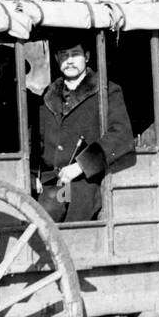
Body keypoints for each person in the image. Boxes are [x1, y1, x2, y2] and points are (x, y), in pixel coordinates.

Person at [31, 31, 133, 222]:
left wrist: (81, 166)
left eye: (75, 54)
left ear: (86, 57)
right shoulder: (48, 96)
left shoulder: (106, 91)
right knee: (44, 227)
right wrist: (32, 174)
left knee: (75, 234)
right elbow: (36, 139)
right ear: (56, 59)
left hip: (86, 184)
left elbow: (121, 134)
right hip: (53, 185)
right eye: (64, 55)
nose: (69, 61)